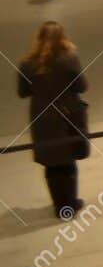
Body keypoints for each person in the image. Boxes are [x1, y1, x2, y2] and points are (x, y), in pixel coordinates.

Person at [16, 21, 89, 217]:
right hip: (67, 115)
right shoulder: (69, 59)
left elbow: (22, 92)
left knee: (51, 163)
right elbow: (82, 86)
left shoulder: (27, 63)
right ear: (62, 37)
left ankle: (60, 206)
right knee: (68, 161)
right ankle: (70, 205)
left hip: (42, 118)